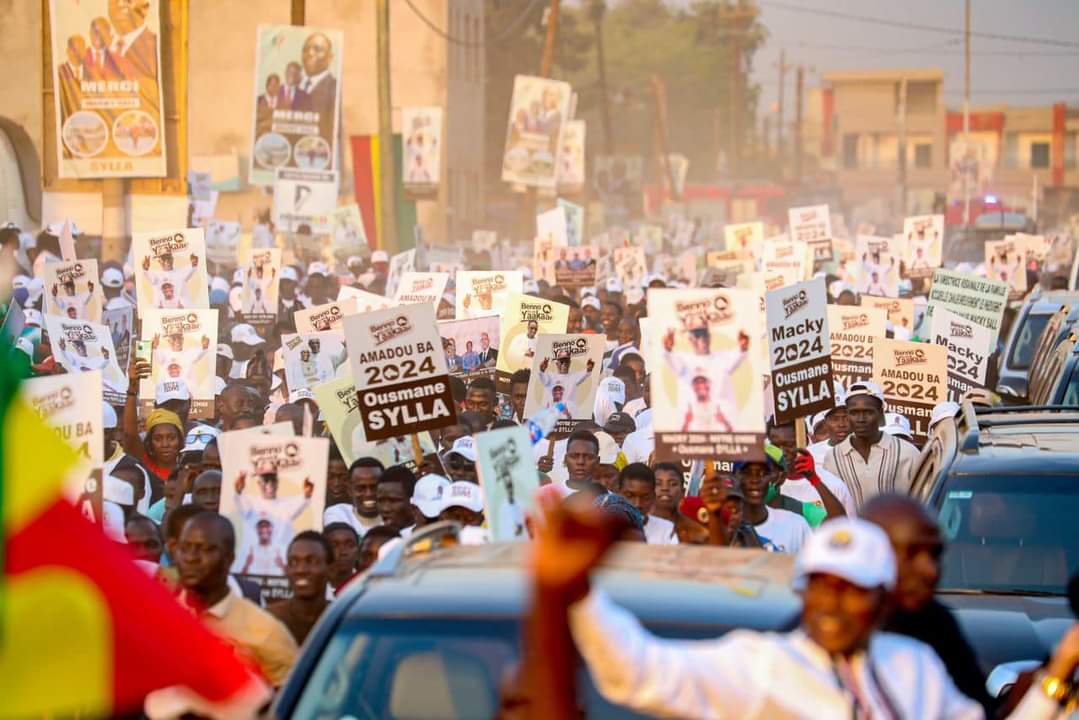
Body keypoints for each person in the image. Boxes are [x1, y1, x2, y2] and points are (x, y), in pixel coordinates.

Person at [532, 504, 1079, 719]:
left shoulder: (915, 666)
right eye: (821, 587)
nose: (833, 605)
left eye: (853, 589)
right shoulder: (760, 666)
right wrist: (575, 592)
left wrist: (1058, 675)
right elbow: (638, 671)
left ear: (881, 600)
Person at [862, 494, 995, 714]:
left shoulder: (935, 622)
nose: (930, 570)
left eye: (935, 554)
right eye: (912, 553)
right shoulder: (827, 632)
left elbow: (978, 710)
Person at [175, 512, 297, 686]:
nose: (191, 557)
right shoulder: (158, 617)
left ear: (229, 559)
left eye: (205, 549)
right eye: (185, 548)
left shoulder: (266, 631)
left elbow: (289, 703)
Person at [822, 382, 920, 508]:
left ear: (880, 413)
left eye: (868, 412)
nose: (861, 419)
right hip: (852, 528)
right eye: (854, 413)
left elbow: (922, 501)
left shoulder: (907, 453)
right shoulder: (833, 458)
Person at [767, 421, 855, 523]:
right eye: (776, 446)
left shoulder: (833, 485)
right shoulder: (765, 489)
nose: (782, 452)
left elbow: (847, 528)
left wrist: (814, 480)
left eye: (790, 445)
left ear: (805, 440)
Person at [267, 531, 331, 646]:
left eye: (312, 561)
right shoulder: (268, 620)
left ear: (329, 569)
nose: (300, 570)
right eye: (294, 562)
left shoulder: (341, 619)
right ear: (286, 569)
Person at [735, 458, 811, 554]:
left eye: (763, 473)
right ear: (735, 477)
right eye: (747, 473)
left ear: (771, 479)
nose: (755, 480)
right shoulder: (725, 527)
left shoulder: (795, 525)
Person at [617, 463, 678, 545]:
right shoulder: (601, 529)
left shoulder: (668, 530)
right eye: (629, 496)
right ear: (617, 494)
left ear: (653, 497)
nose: (637, 504)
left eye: (645, 498)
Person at [293, 31, 337, 142]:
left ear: (330, 57)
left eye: (317, 49)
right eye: (305, 49)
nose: (310, 53)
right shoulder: (291, 88)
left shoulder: (335, 89)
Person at [376, 466, 418, 535]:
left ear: (413, 500)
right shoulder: (375, 537)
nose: (385, 509)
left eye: (393, 501)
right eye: (380, 501)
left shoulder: (432, 532)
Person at [323, 522, 361, 591]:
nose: (343, 552)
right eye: (334, 546)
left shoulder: (367, 586)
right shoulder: (314, 588)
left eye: (350, 545)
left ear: (358, 551)